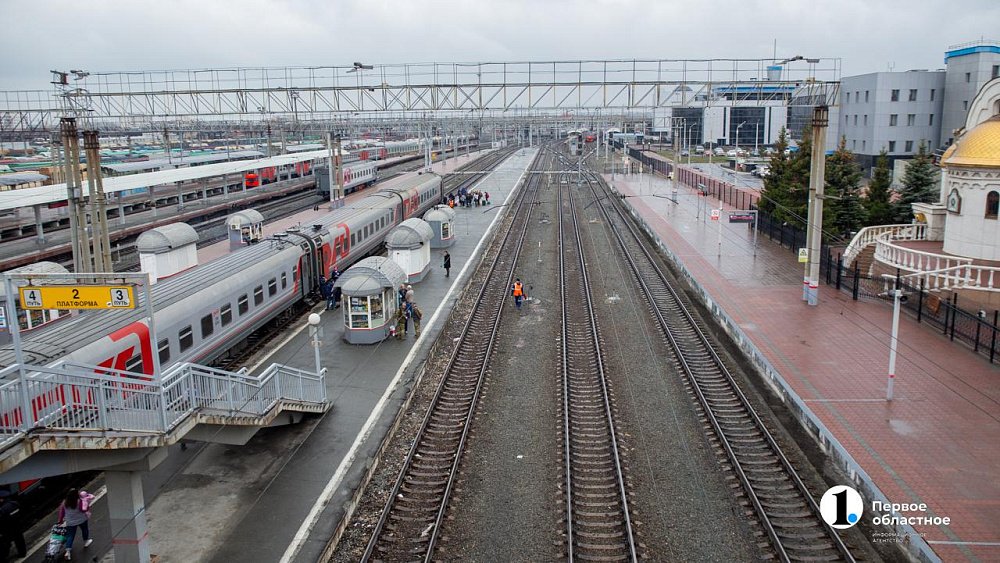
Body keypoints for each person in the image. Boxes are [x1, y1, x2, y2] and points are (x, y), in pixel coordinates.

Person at [58, 488, 95, 559]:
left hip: (70, 522)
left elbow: (61, 512)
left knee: (70, 536)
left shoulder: (65, 502)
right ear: (76, 495)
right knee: (85, 530)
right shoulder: (79, 501)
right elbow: (84, 510)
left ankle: (67, 552)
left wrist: (60, 520)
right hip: (81, 519)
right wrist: (87, 503)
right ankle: (86, 541)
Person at [0, 491, 27, 563]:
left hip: (8, 528)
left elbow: (2, 520)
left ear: (2, 499)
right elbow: (21, 512)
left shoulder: (2, 509)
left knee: (5, 543)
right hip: (17, 525)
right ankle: (22, 553)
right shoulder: (15, 503)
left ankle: (4, 558)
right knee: (19, 539)